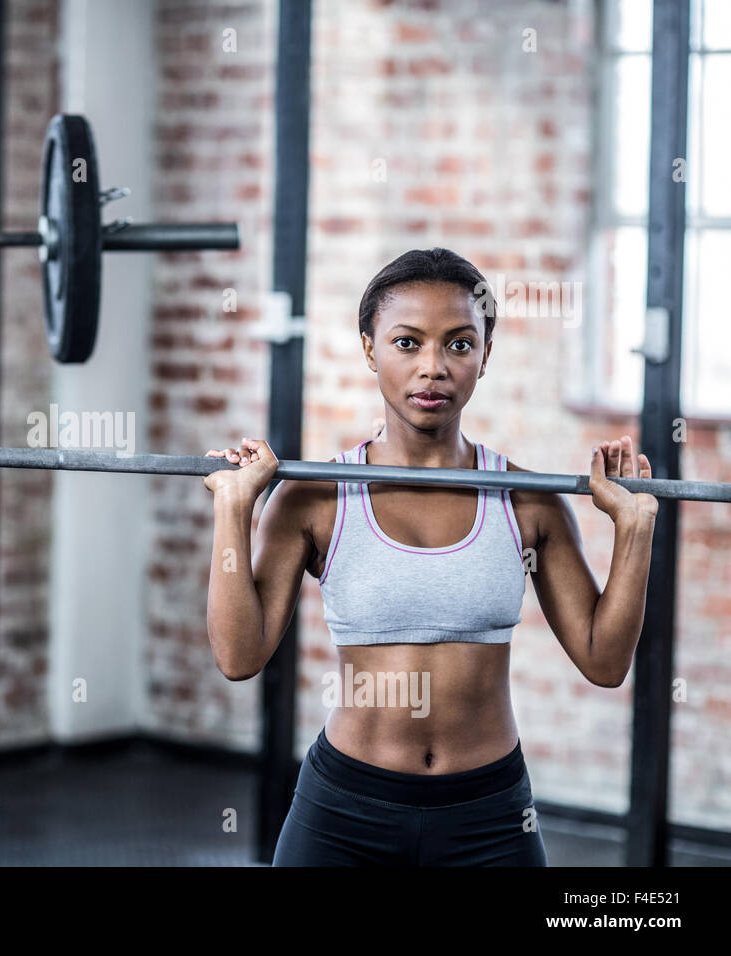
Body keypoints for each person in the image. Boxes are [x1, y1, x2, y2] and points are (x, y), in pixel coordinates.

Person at [202, 247, 658, 866]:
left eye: (460, 344)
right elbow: (238, 656)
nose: (434, 368)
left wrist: (634, 531)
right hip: (343, 811)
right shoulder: (315, 498)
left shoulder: (528, 501)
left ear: (485, 356)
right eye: (407, 342)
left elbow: (605, 662)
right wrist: (233, 511)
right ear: (370, 349)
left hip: (491, 814)